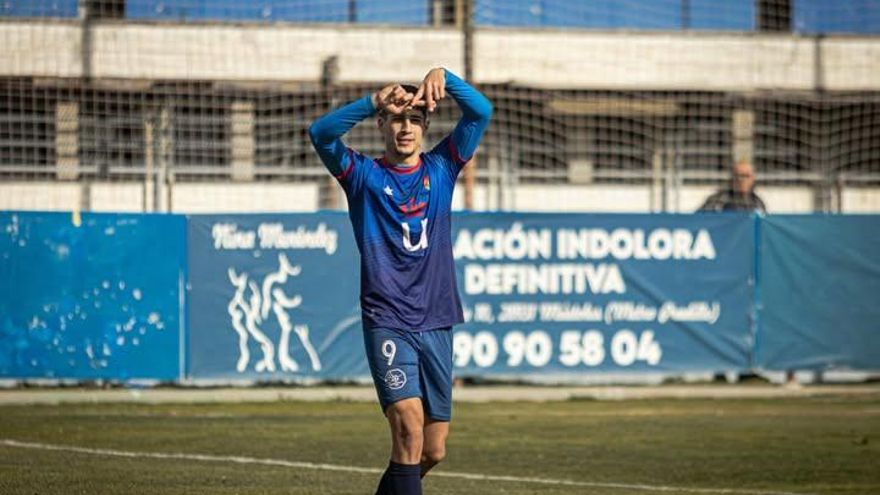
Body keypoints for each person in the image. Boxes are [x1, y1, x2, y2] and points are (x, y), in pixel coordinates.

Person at [308, 67, 492, 495]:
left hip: (437, 318)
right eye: (396, 118)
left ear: (426, 125)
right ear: (381, 124)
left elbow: (481, 112)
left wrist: (444, 77)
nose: (405, 127)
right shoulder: (362, 177)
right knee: (408, 426)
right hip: (388, 319)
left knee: (432, 450)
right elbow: (320, 134)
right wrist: (372, 100)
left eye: (414, 119)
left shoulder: (442, 168)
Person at [698, 160, 767, 213]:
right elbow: (698, 219)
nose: (741, 180)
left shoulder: (758, 203)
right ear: (732, 178)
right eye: (738, 176)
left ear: (753, 179)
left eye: (746, 176)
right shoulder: (718, 200)